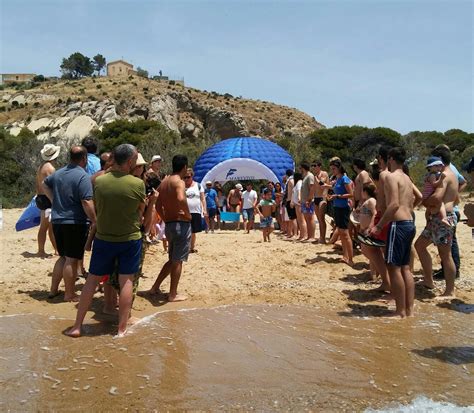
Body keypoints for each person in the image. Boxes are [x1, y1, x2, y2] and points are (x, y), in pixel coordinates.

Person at [67, 144, 145, 338]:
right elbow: (140, 212)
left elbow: (98, 207)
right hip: (129, 239)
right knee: (126, 280)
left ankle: (77, 326)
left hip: (104, 238)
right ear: (129, 162)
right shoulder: (137, 184)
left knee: (92, 281)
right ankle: (121, 329)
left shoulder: (100, 182)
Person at [42, 146, 96, 302]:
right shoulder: (82, 176)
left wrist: (53, 201)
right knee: (72, 259)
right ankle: (69, 294)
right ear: (84, 158)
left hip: (58, 220)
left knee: (63, 257)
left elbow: (45, 184)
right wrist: (94, 219)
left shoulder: (58, 173)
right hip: (74, 221)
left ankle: (53, 290)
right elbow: (86, 201)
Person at [369, 147, 416, 318]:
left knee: (393, 268)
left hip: (398, 224)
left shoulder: (391, 177)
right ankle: (409, 311)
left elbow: (394, 204)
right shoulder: (407, 178)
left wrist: (379, 226)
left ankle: (400, 311)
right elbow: (414, 199)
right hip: (409, 223)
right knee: (405, 268)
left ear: (390, 159)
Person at [415, 146, 459, 298]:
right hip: (438, 217)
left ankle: (450, 291)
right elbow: (457, 198)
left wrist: (425, 201)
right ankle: (428, 281)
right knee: (419, 246)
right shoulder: (451, 175)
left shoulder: (445, 176)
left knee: (445, 255)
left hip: (443, 218)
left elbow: (436, 198)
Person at [148, 155, 192, 302]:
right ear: (185, 167)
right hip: (181, 223)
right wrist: (187, 214)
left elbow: (158, 203)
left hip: (170, 224)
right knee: (178, 260)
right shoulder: (178, 182)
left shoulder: (165, 181)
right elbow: (180, 198)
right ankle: (173, 294)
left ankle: (155, 287)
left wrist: (165, 218)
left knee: (172, 260)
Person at [431, 145, 466, 279]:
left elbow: (437, 197)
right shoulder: (453, 169)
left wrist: (427, 200)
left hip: (447, 212)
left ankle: (452, 271)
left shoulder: (445, 173)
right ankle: (451, 269)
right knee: (449, 244)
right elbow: (463, 182)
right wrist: (453, 195)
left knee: (448, 246)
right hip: (451, 210)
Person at [327, 160, 354, 266]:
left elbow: (351, 194)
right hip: (337, 207)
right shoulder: (337, 179)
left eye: (333, 168)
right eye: (331, 169)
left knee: (346, 233)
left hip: (343, 208)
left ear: (339, 168)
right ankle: (345, 256)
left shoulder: (344, 179)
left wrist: (337, 196)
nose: (332, 171)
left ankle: (350, 259)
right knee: (342, 233)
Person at [36, 143, 60, 257]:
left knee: (46, 226)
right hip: (47, 199)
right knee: (49, 227)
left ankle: (46, 249)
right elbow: (51, 186)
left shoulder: (41, 167)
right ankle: (53, 250)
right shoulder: (50, 168)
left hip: (41, 198)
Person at [422, 156, 450, 226]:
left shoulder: (429, 174)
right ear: (430, 167)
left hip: (427, 195)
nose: (439, 168)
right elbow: (434, 184)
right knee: (440, 203)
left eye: (440, 166)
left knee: (428, 209)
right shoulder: (432, 175)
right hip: (429, 194)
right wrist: (441, 179)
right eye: (436, 166)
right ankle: (444, 218)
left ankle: (428, 220)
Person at [358, 183, 378, 280]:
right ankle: (374, 273)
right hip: (364, 229)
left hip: (368, 229)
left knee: (370, 252)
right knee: (366, 251)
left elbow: (374, 213)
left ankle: (374, 274)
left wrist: (370, 226)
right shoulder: (367, 201)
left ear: (365, 191)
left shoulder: (371, 201)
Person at [184, 168, 206, 252]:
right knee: (185, 230)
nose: (186, 179)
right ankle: (185, 247)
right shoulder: (182, 186)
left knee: (193, 231)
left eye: (188, 177)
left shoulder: (198, 186)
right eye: (184, 177)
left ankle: (191, 247)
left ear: (192, 176)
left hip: (195, 211)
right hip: (185, 212)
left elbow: (203, 198)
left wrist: (204, 210)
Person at [311, 161, 330, 243]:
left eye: (314, 166)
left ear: (319, 166)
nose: (313, 167)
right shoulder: (314, 176)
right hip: (316, 198)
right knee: (319, 219)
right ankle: (321, 237)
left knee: (322, 219)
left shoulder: (323, 173)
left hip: (323, 197)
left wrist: (315, 177)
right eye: (312, 166)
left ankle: (323, 238)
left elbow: (321, 185)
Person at [300, 163, 316, 241]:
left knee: (310, 218)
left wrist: (309, 200)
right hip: (304, 201)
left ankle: (312, 236)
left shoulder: (310, 176)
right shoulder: (305, 176)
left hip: (308, 201)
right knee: (307, 219)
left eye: (300, 168)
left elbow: (312, 188)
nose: (300, 170)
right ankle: (309, 236)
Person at [291, 173, 306, 240]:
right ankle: (301, 235)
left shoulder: (299, 182)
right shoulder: (297, 183)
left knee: (302, 220)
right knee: (299, 220)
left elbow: (299, 190)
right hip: (296, 203)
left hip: (299, 203)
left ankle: (304, 235)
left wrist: (299, 198)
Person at [284, 169, 297, 238]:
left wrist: (292, 200)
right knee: (291, 218)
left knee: (293, 218)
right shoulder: (291, 180)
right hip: (290, 200)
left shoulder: (290, 181)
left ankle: (295, 233)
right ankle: (291, 232)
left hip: (290, 200)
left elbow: (293, 190)